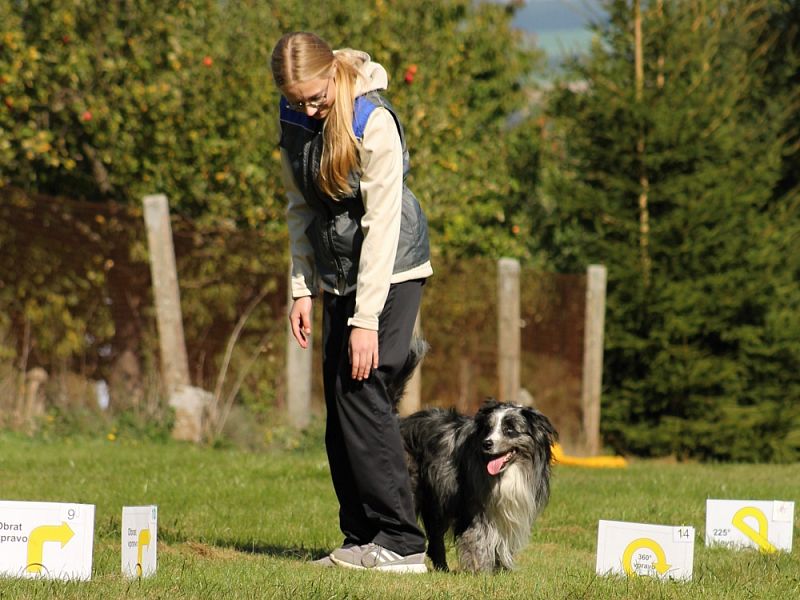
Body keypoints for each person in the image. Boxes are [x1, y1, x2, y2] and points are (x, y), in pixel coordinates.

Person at [270, 32, 433, 573]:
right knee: (339, 408)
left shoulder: (373, 121)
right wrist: (300, 287)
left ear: (333, 75)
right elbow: (299, 207)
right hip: (337, 274)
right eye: (297, 101)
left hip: (392, 270)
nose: (308, 109)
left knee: (363, 394)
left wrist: (365, 320)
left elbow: (381, 225)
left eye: (315, 98)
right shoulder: (294, 119)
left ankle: (402, 542)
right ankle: (362, 537)